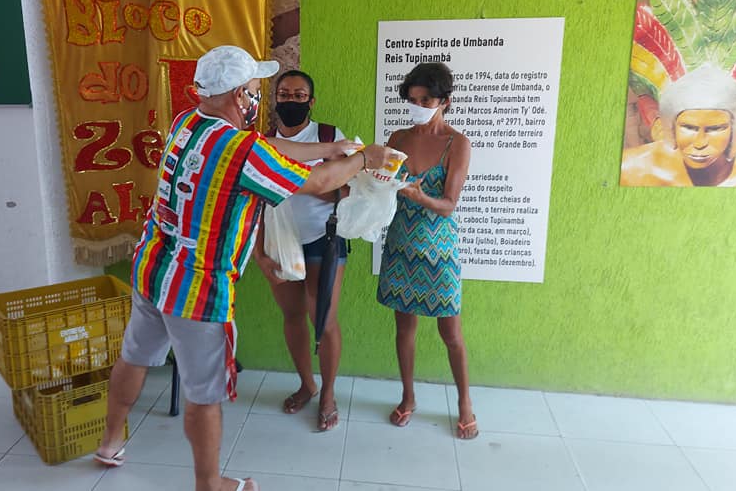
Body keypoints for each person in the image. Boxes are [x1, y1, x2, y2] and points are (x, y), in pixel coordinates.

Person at [95, 45, 391, 491]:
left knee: (134, 357)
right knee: (205, 394)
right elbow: (319, 181)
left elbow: (267, 146)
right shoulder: (240, 150)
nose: (258, 99)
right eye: (254, 90)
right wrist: (365, 159)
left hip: (153, 268)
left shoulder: (187, 122)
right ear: (239, 96)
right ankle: (209, 483)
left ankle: (109, 442)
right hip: (196, 289)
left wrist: (330, 146)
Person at [376, 62, 478, 439]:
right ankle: (408, 396)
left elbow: (449, 204)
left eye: (426, 100)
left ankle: (465, 402)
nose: (418, 106)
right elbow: (384, 182)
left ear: (444, 101)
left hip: (438, 249)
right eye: (413, 99)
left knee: (451, 332)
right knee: (404, 327)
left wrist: (419, 197)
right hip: (401, 243)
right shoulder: (399, 137)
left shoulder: (457, 143)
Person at [253, 70, 347, 431]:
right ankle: (307, 385)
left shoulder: (329, 138)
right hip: (278, 242)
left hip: (323, 239)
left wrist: (312, 186)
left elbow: (347, 190)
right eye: (284, 94)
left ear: (311, 101)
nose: (290, 101)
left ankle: (328, 393)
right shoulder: (262, 143)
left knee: (323, 320)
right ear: (274, 99)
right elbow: (254, 203)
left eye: (299, 95)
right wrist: (259, 254)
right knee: (292, 316)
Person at [620, 65, 736, 187]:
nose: (700, 143)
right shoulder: (631, 170)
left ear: (735, 131)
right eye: (689, 128)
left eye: (715, 129)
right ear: (671, 127)